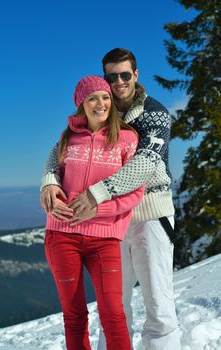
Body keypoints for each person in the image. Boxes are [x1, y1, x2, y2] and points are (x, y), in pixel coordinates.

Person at [41, 48, 181, 350]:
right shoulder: (102, 110)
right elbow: (62, 148)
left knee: (158, 302)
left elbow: (145, 163)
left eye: (125, 75)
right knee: (115, 308)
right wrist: (49, 181)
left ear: (136, 75)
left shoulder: (154, 113)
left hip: (149, 214)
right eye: (111, 76)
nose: (118, 82)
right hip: (108, 222)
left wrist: (97, 193)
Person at [44, 75, 145, 350]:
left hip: (105, 240)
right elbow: (52, 171)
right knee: (74, 316)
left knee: (113, 314)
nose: (100, 104)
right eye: (92, 98)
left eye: (105, 97)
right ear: (82, 104)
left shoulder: (126, 139)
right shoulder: (68, 137)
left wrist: (97, 211)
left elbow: (135, 192)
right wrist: (49, 187)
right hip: (62, 235)